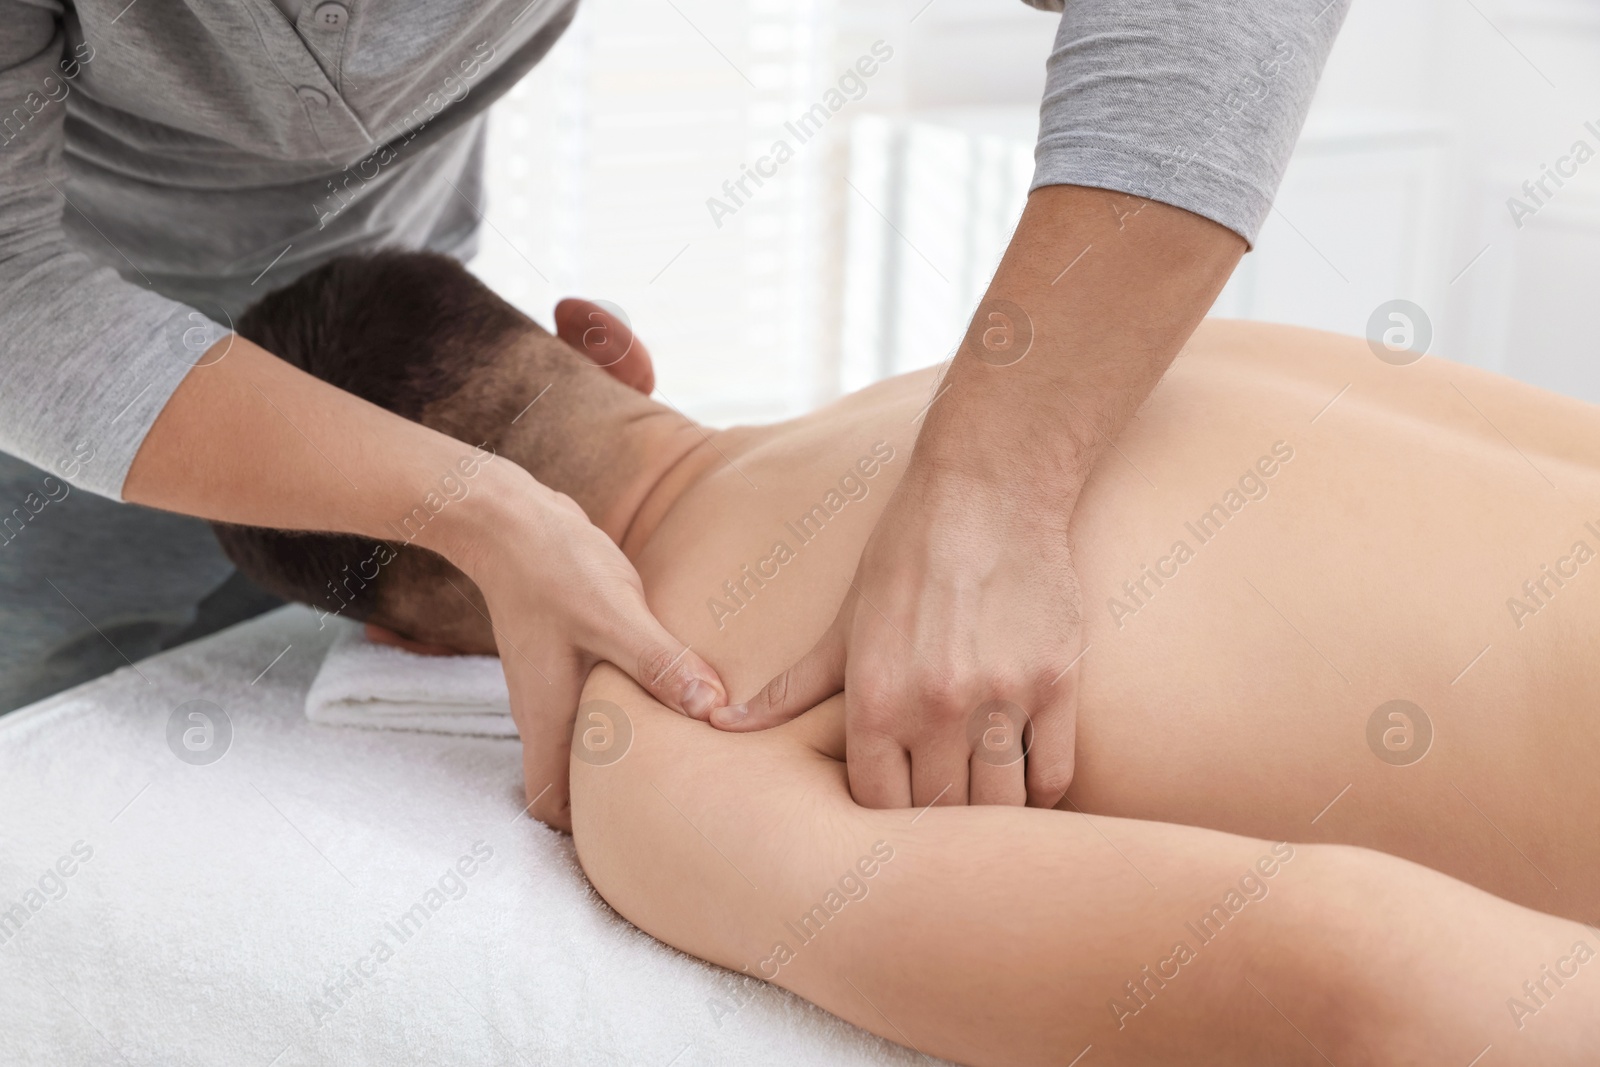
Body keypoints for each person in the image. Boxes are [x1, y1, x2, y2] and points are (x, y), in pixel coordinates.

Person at [219, 251, 1600, 1062]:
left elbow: (1345, 974)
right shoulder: (1031, 374)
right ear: (610, 346)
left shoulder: (674, 746)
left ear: (402, 636)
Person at [0, 0, 1350, 826]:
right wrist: (472, 506)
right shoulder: (1244, 386)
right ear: (611, 352)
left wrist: (996, 485)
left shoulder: (670, 778)